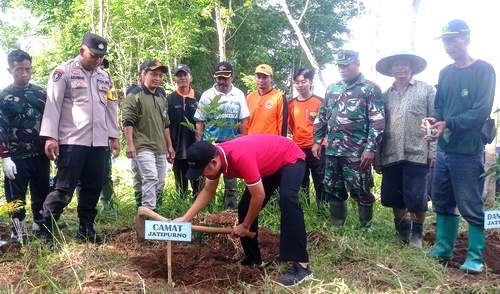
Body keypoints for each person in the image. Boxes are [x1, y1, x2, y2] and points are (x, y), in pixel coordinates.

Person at [176, 135, 312, 286]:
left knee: (288, 200)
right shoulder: (216, 158)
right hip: (269, 163)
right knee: (244, 206)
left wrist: (245, 226)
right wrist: (185, 217)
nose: (202, 175)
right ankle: (253, 259)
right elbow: (208, 191)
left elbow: (259, 196)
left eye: (201, 172)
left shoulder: (240, 157)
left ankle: (302, 266)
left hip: (289, 156)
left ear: (213, 163)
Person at [423, 20, 495, 273]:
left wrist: (448, 123)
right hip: (444, 149)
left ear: (466, 37)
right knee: (442, 200)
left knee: (471, 203)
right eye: (445, 40)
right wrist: (435, 122)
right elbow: (440, 106)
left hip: (468, 150)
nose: (448, 45)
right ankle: (443, 249)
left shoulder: (484, 70)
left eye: (453, 39)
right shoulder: (445, 73)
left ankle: (475, 257)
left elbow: (480, 111)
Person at [39, 32, 120, 245]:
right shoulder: (63, 72)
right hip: (72, 141)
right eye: (94, 56)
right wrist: (50, 137)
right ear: (82, 50)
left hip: (99, 142)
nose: (98, 60)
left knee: (93, 186)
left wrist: (114, 136)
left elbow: (111, 107)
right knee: (64, 188)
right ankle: (46, 228)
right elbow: (53, 105)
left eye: (101, 57)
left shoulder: (105, 77)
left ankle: (86, 228)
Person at [313, 50, 385, 228]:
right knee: (332, 187)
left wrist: (370, 149)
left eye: (346, 65)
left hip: (357, 151)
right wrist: (317, 140)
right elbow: (322, 116)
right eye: (339, 65)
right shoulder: (332, 88)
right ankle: (337, 224)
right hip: (333, 150)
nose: (342, 68)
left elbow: (377, 121)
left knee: (360, 189)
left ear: (357, 63)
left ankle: (366, 226)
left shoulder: (370, 88)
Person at [375, 52, 435, 248]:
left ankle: (417, 233)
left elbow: (434, 122)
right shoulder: (385, 95)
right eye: (396, 65)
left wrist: (432, 151)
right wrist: (377, 155)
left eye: (404, 64)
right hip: (391, 151)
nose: (400, 68)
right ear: (391, 70)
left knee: (417, 196)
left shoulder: (426, 90)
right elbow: (379, 126)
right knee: (395, 195)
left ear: (411, 68)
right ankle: (401, 231)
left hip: (417, 151)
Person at [0, 49, 49, 243]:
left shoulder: (40, 93)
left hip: (40, 154)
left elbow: (50, 122)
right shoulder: (4, 97)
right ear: (9, 69)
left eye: (27, 69)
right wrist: (5, 157)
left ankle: (40, 223)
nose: (24, 73)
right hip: (16, 156)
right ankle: (18, 230)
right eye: (19, 69)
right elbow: (0, 128)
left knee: (42, 191)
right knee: (16, 196)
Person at [194, 61, 249, 209]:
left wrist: (243, 144)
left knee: (231, 183)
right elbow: (199, 122)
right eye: (219, 78)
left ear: (232, 77)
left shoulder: (238, 94)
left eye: (225, 77)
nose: (222, 81)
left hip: (231, 145)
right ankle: (206, 212)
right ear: (215, 78)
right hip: (210, 145)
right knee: (206, 181)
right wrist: (199, 145)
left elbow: (243, 121)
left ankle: (230, 212)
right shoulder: (207, 95)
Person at [122, 60, 175, 211]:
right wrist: (130, 144)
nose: (157, 78)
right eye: (153, 74)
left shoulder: (161, 95)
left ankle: (152, 209)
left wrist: (169, 146)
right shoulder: (134, 94)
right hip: (142, 145)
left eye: (160, 75)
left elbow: (166, 123)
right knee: (150, 177)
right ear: (143, 74)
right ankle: (148, 214)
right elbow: (127, 121)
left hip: (160, 146)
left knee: (160, 182)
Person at [288, 68, 326, 205]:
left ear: (310, 82)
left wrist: (320, 142)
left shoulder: (320, 101)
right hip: (298, 148)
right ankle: (304, 208)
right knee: (301, 181)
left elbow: (325, 125)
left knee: (320, 180)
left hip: (318, 147)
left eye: (303, 81)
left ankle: (322, 210)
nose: (300, 85)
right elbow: (291, 125)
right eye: (297, 82)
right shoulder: (291, 104)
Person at [167, 64, 202, 198]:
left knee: (198, 186)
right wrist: (169, 147)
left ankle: (199, 215)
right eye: (179, 75)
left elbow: (204, 122)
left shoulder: (199, 97)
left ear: (190, 77)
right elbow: (166, 125)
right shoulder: (169, 99)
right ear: (175, 79)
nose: (182, 78)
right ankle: (181, 214)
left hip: (196, 149)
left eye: (185, 75)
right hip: (177, 149)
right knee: (180, 187)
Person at [246, 64, 287, 136]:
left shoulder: (279, 97)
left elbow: (283, 124)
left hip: (270, 142)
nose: (261, 80)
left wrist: (281, 143)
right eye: (258, 77)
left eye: (265, 77)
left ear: (271, 78)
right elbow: (245, 122)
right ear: (255, 78)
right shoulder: (249, 97)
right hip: (251, 141)